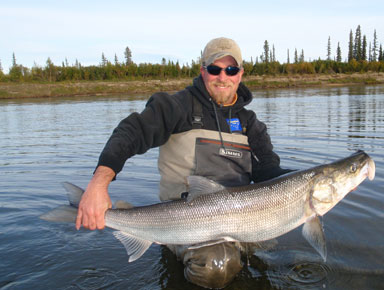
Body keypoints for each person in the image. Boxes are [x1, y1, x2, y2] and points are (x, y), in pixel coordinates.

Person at [76, 37, 291, 288]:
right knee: (216, 267)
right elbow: (131, 132)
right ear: (203, 71)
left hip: (238, 220)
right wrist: (99, 185)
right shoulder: (177, 107)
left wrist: (310, 184)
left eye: (231, 70)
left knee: (277, 246)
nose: (223, 77)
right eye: (215, 69)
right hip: (181, 222)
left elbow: (270, 172)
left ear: (240, 74)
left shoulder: (250, 124)